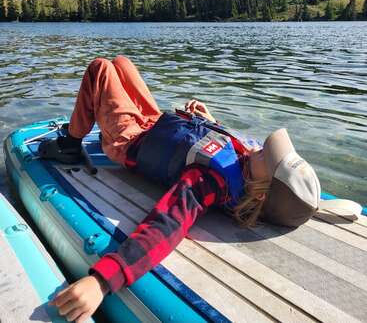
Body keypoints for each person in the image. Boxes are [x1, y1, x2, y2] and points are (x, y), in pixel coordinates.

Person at [40, 55, 321, 323]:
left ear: (260, 192)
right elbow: (232, 149)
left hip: (129, 140)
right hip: (156, 126)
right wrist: (211, 121)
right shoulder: (249, 163)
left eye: (268, 156)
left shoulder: (210, 182)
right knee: (122, 64)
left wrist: (102, 280)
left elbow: (167, 224)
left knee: (100, 68)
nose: (262, 148)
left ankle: (70, 143)